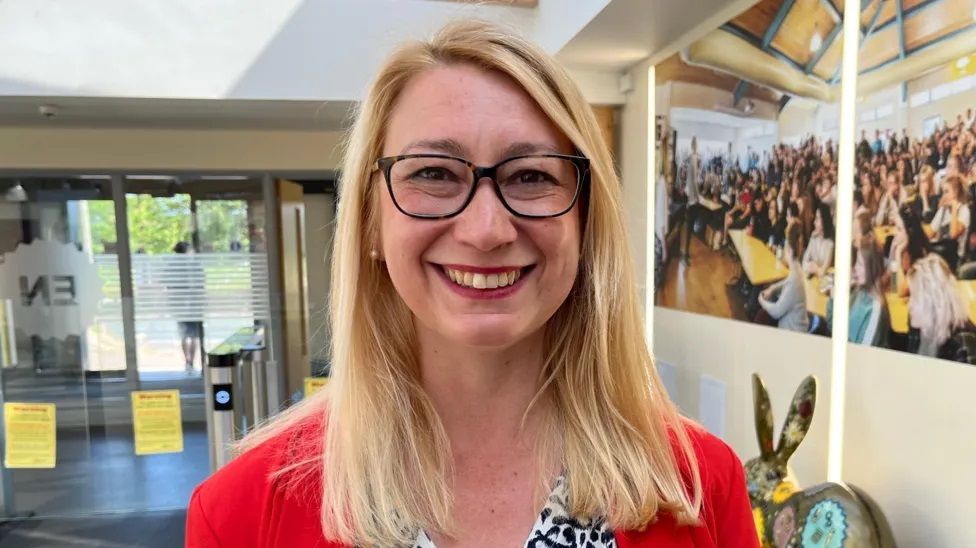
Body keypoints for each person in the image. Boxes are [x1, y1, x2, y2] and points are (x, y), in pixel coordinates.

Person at [185, 21, 757, 548]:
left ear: (586, 222)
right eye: (433, 173)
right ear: (370, 223)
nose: (486, 230)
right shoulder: (239, 513)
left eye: (531, 175)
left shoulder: (702, 488)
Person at [908, 255, 970, 358]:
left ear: (932, 303)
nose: (910, 305)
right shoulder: (921, 324)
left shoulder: (962, 345)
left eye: (915, 298)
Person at [829, 240, 888, 346]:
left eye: (860, 264)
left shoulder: (875, 309)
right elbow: (833, 327)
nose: (855, 267)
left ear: (871, 269)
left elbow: (862, 352)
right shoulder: (858, 292)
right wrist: (834, 300)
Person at [758, 222, 809, 332]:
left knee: (761, 316)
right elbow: (788, 282)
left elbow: (776, 312)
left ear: (789, 251)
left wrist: (761, 300)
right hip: (792, 326)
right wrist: (773, 288)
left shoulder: (794, 278)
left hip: (791, 333)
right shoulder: (797, 268)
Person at [171, 240, 204, 374]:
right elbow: (201, 283)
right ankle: (191, 361)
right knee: (193, 335)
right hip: (193, 303)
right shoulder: (194, 266)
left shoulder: (173, 267)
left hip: (181, 304)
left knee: (185, 335)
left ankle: (188, 361)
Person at [928, 173, 971, 269]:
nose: (944, 196)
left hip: (956, 259)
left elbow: (953, 234)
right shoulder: (943, 210)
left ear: (956, 192)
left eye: (947, 192)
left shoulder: (964, 210)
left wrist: (955, 208)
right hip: (941, 253)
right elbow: (930, 232)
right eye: (943, 192)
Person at [681, 137, 703, 265]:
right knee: (689, 228)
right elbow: (694, 180)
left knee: (689, 228)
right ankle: (686, 255)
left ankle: (686, 253)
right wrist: (698, 196)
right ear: (695, 145)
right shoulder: (694, 158)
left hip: (690, 199)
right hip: (693, 200)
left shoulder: (691, 158)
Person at [803, 204, 835, 277]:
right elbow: (804, 263)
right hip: (813, 279)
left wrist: (815, 267)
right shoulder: (814, 238)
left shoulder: (830, 243)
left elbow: (822, 272)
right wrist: (815, 268)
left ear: (824, 220)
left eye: (817, 219)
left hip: (825, 282)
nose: (814, 222)